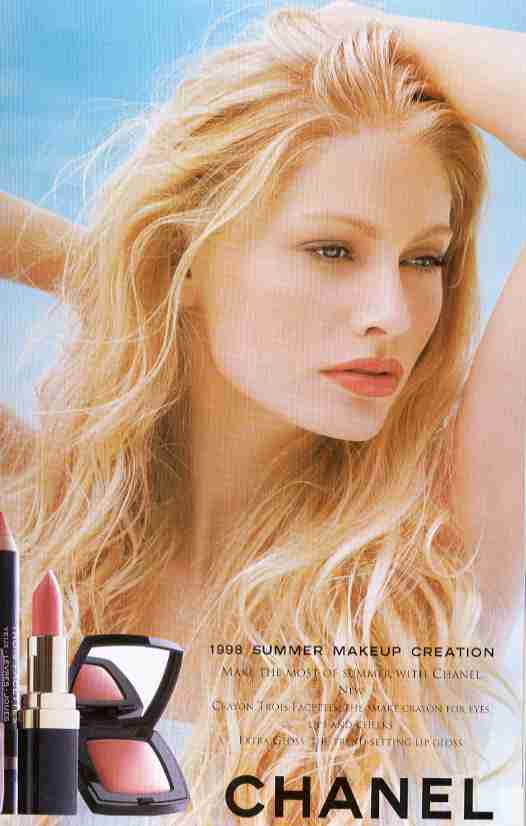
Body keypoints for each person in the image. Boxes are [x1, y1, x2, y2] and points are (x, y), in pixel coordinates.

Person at [1, 2, 525, 823]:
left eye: (425, 258)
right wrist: (130, 288)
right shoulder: (38, 522)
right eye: (332, 250)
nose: (391, 312)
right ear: (186, 254)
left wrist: (361, 23)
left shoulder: (434, 558)